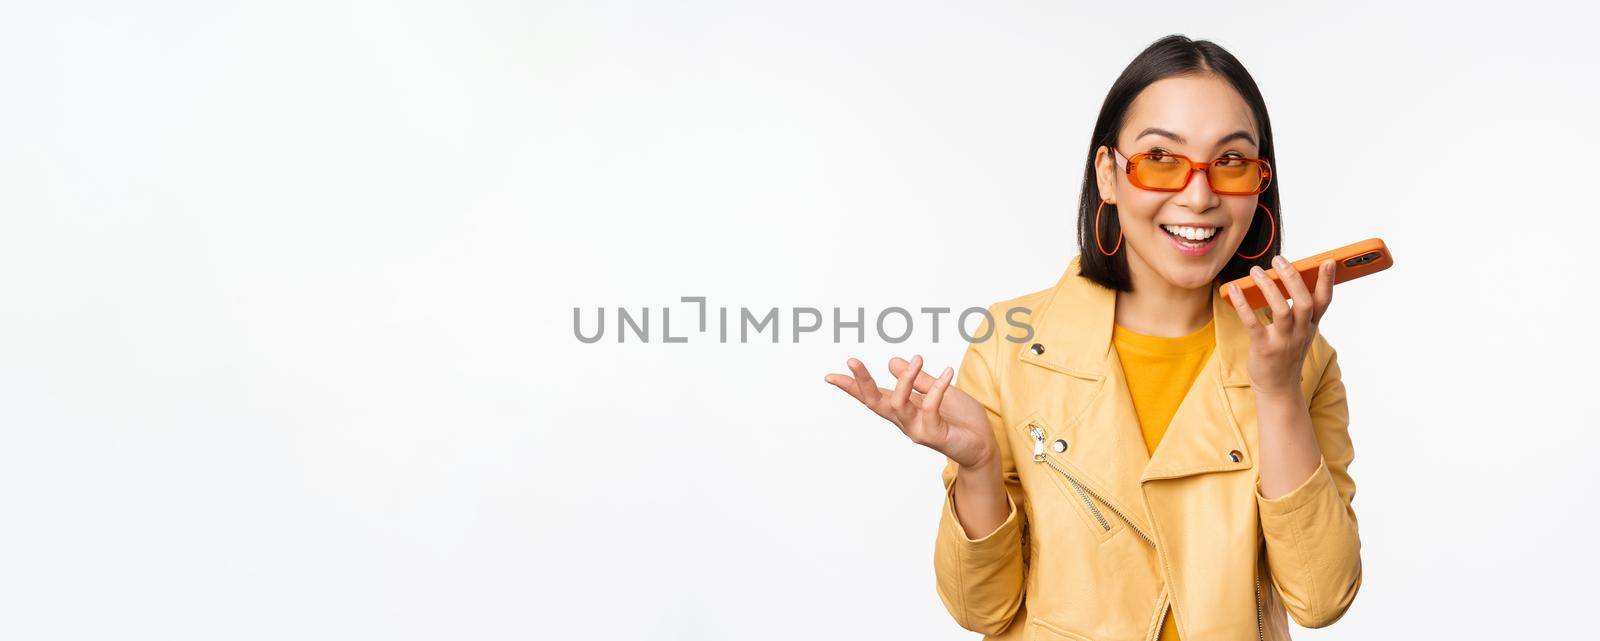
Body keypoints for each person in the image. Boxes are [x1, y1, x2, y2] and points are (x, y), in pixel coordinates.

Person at [824, 34, 1362, 640]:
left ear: (1260, 181)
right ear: (1108, 173)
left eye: (1232, 162)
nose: (1199, 194)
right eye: (1162, 158)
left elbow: (1320, 597)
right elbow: (983, 611)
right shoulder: (1009, 346)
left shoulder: (1302, 359)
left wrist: (1278, 389)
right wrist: (976, 468)